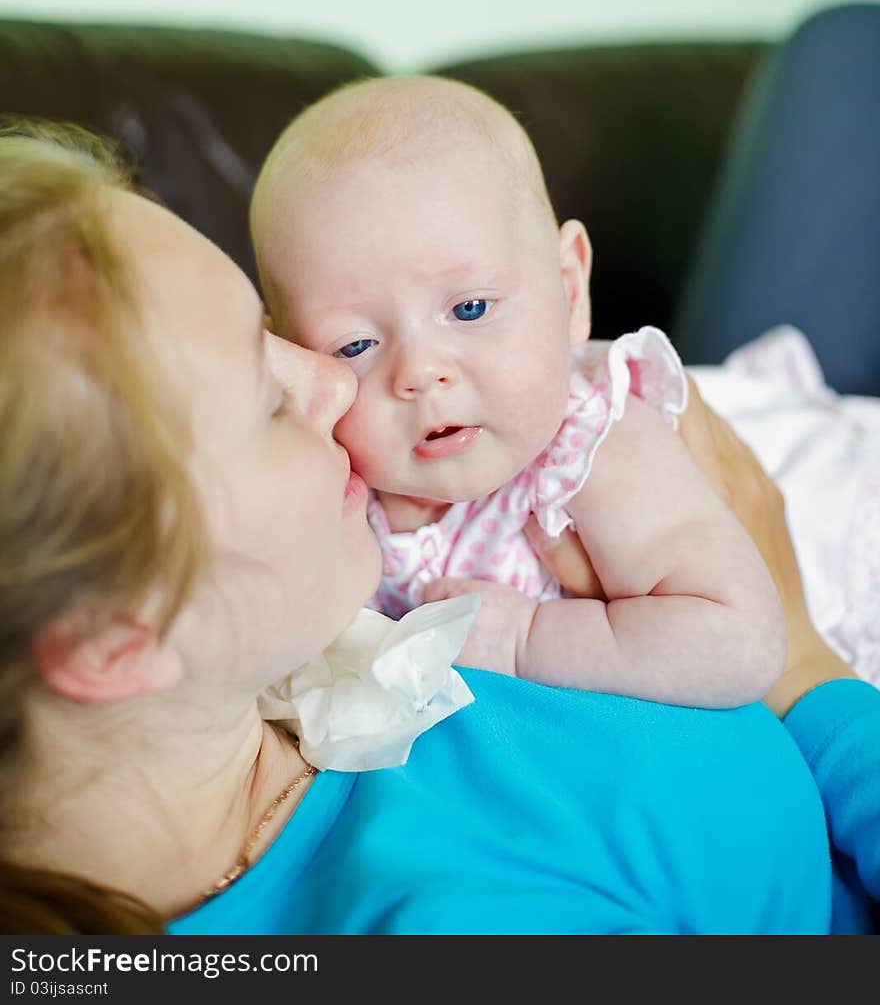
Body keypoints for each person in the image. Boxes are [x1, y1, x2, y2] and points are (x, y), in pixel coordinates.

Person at [0, 123, 876, 937]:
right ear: (117, 635)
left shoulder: (293, 643)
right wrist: (803, 670)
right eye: (270, 400)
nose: (340, 388)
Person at [248, 76, 785, 705]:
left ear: (570, 288)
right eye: (355, 347)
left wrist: (525, 638)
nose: (420, 373)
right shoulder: (330, 487)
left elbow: (741, 643)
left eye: (470, 308)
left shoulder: (589, 447)